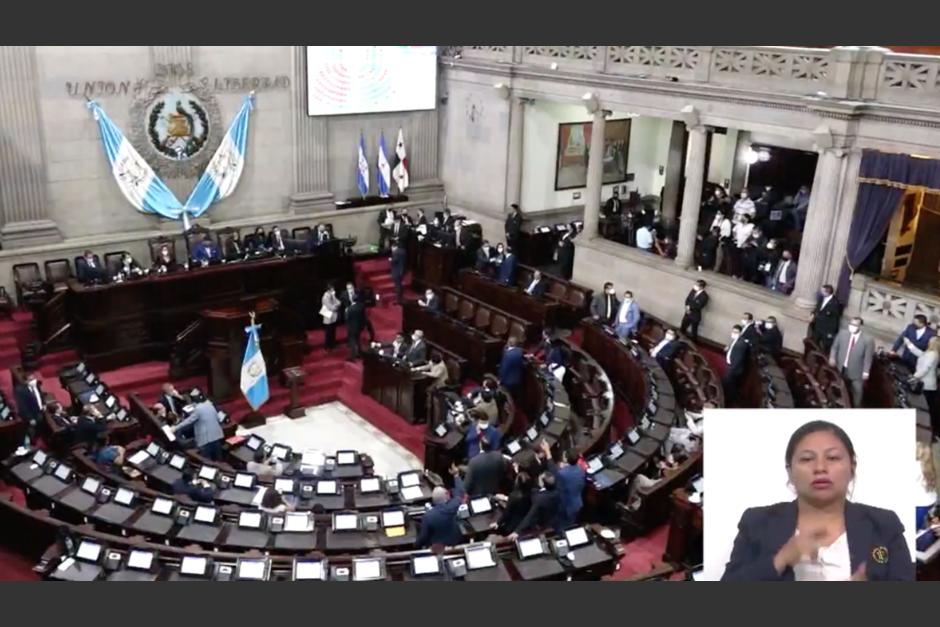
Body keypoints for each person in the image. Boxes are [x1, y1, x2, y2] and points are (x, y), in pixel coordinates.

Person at [722, 420, 914, 581]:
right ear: (790, 471)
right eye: (806, 459)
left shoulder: (884, 524)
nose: (820, 467)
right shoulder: (758, 521)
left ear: (852, 466)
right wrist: (781, 560)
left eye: (832, 457)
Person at [828, 317, 874, 408]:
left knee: (857, 393)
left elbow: (868, 358)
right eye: (851, 324)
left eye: (855, 325)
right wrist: (832, 357)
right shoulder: (842, 334)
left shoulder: (868, 340)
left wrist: (866, 371)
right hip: (840, 368)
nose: (852, 326)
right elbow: (834, 347)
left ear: (860, 326)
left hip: (856, 372)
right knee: (838, 389)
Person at [416, 468, 466, 549]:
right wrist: (456, 475)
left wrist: (415, 545)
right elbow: (459, 494)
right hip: (455, 544)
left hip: (438, 549)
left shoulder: (428, 516)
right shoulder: (453, 506)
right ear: (446, 496)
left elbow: (423, 537)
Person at [544, 441, 586, 530]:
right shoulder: (580, 469)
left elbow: (552, 470)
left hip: (566, 507)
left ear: (566, 459)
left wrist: (548, 452)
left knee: (561, 528)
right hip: (577, 504)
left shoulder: (562, 473)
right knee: (571, 525)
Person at [172, 394, 224, 460]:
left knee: (207, 461)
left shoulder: (198, 409)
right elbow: (218, 418)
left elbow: (188, 421)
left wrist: (175, 427)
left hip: (206, 440)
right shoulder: (210, 405)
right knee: (219, 458)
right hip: (216, 436)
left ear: (194, 403)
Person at [510, 471, 562, 537]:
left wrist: (517, 531)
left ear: (543, 483)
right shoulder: (556, 492)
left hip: (542, 525)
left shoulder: (540, 499)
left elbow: (530, 515)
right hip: (554, 520)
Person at [906, 336, 940, 436]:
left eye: (930, 340)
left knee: (927, 409)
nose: (928, 341)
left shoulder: (933, 355)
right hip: (924, 384)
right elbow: (919, 353)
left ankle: (930, 432)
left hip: (927, 385)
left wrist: (914, 377)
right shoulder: (929, 353)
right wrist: (909, 344)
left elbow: (925, 369)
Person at [491, 471, 534, 536]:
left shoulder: (514, 496)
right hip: (527, 524)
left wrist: (498, 523)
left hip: (513, 526)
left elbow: (507, 513)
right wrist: (506, 498)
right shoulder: (533, 493)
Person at [810, 284, 842, 354]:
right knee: (814, 344)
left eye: (822, 291)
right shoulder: (821, 298)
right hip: (817, 326)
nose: (821, 292)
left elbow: (835, 319)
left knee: (825, 348)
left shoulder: (835, 303)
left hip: (827, 329)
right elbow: (818, 308)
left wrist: (832, 332)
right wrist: (813, 314)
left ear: (827, 292)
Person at [723, 325, 748, 406]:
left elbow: (738, 361)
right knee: (730, 385)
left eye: (736, 332)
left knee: (730, 386)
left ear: (740, 333)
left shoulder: (741, 344)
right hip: (731, 366)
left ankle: (730, 402)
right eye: (733, 331)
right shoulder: (736, 340)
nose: (733, 333)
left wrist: (730, 371)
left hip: (734, 369)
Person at [14, 371, 44, 438]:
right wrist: (30, 418)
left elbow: (40, 395)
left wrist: (43, 404)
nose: (33, 381)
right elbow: (22, 406)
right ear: (25, 381)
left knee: (40, 425)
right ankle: (32, 440)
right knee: (31, 429)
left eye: (33, 379)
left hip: (39, 411)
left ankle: (39, 435)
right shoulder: (21, 390)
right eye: (31, 380)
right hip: (31, 414)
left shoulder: (36, 385)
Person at [344, 295, 367, 361]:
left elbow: (347, 319)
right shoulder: (361, 307)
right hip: (359, 327)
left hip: (352, 328)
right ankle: (359, 354)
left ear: (352, 300)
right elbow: (364, 317)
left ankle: (353, 356)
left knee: (353, 342)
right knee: (358, 340)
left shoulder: (349, 309)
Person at [320, 284, 341, 351]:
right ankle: (327, 346)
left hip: (333, 317)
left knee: (333, 332)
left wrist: (336, 304)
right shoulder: (325, 297)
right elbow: (330, 307)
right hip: (328, 317)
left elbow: (339, 302)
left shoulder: (332, 295)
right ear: (329, 290)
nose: (333, 290)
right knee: (328, 333)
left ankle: (333, 344)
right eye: (332, 289)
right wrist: (336, 306)